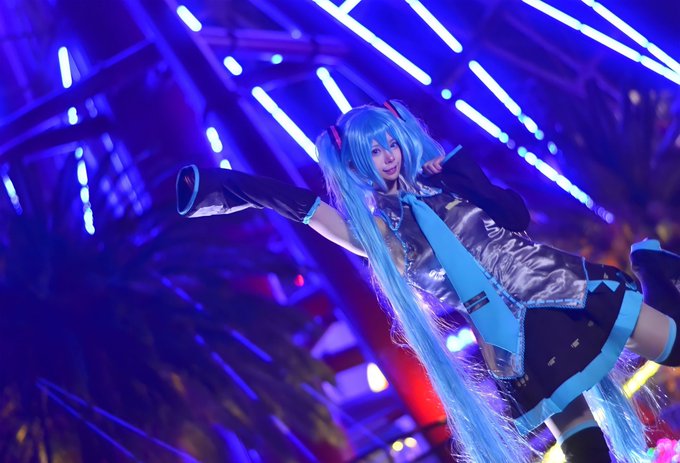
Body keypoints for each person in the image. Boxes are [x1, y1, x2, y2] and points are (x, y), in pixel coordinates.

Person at [176, 100, 680, 463]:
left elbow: (516, 215)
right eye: (372, 152)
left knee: (674, 347)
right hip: (511, 341)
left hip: (558, 285)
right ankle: (653, 272)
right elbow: (306, 209)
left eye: (390, 143)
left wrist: (459, 172)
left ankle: (653, 272)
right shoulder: (381, 236)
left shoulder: (444, 181)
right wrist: (227, 189)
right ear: (354, 165)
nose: (388, 156)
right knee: (583, 447)